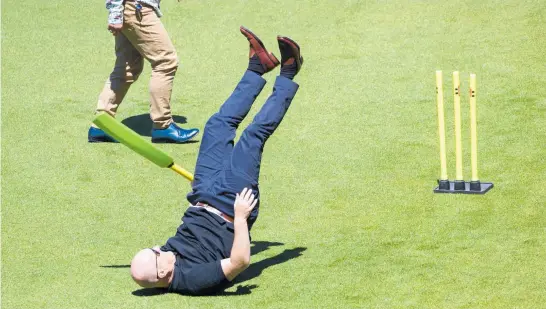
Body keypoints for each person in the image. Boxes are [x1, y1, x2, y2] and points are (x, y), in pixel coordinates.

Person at [129, 26, 303, 295]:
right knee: (252, 136)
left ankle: (258, 67)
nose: (158, 246)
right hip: (232, 204)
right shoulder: (191, 279)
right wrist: (242, 217)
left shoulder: (167, 258)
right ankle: (289, 73)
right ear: (163, 273)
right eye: (155, 252)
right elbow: (239, 262)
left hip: (203, 192)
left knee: (217, 126)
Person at [88, 0, 199, 143]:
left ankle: (101, 124)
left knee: (126, 68)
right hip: (137, 8)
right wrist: (115, 11)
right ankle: (163, 125)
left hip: (131, 8)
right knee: (165, 61)